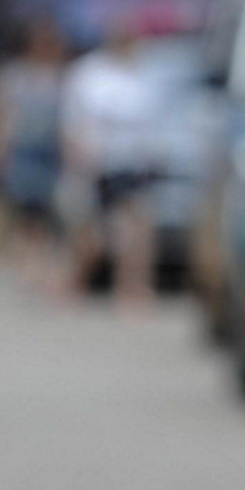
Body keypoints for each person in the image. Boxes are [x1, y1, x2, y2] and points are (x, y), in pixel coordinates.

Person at [59, 18, 162, 307]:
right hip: (94, 165)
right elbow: (71, 121)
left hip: (131, 166)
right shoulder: (88, 72)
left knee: (137, 233)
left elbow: (151, 124)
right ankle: (74, 282)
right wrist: (76, 160)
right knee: (90, 233)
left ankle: (132, 289)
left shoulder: (144, 73)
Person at [0, 19, 68, 292]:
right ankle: (24, 262)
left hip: (49, 153)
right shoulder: (14, 76)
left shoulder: (60, 77)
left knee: (43, 211)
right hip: (22, 151)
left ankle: (40, 262)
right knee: (22, 210)